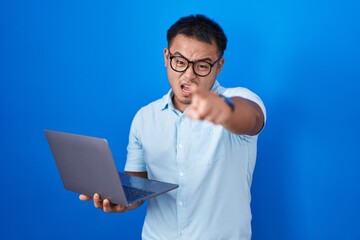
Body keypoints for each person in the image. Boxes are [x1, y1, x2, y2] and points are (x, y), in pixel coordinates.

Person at [80, 14, 266, 240]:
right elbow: (136, 186)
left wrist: (223, 110)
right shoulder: (144, 117)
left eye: (202, 66)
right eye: (180, 62)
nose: (189, 75)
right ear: (166, 58)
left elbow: (251, 118)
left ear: (219, 67)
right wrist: (122, 201)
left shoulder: (238, 99)